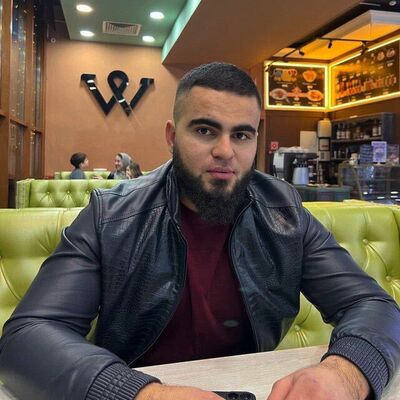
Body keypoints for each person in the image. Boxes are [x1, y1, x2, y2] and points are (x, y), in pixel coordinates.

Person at [0, 62, 399, 400]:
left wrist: (346, 373)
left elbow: (374, 305)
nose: (225, 150)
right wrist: (143, 394)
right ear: (172, 136)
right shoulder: (110, 216)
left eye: (241, 135)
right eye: (206, 130)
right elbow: (27, 335)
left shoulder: (286, 213)